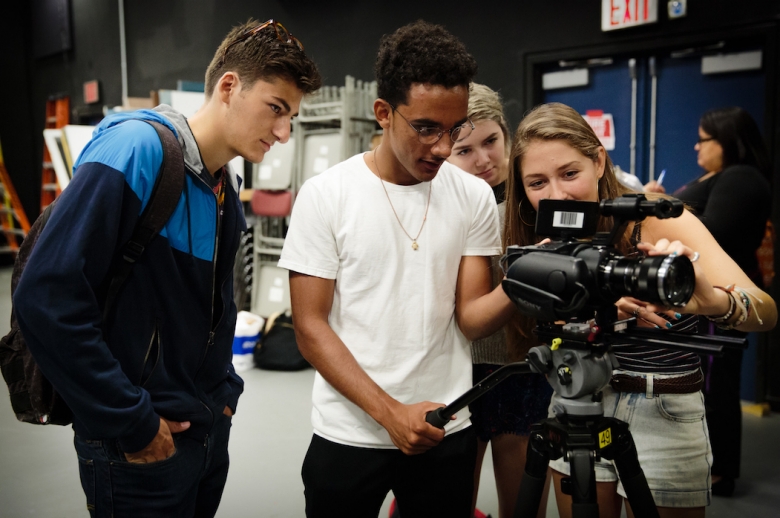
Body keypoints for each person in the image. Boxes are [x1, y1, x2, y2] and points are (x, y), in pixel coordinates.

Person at [13, 19, 321, 517]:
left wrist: (224, 395)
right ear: (229, 86)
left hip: (202, 436)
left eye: (292, 117)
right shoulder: (137, 150)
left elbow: (217, 310)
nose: (284, 133)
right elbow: (45, 297)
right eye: (276, 109)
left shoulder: (225, 190)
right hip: (135, 449)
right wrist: (130, 421)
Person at [279, 20, 516, 517]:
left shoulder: (471, 196)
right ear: (383, 113)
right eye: (426, 128)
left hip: (443, 428)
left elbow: (471, 318)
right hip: (349, 431)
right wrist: (390, 414)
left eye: (454, 130)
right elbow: (309, 326)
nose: (443, 149)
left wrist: (527, 280)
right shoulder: (327, 195)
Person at [504, 102, 776, 518]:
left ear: (598, 160)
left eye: (570, 173)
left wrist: (712, 301)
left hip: (662, 406)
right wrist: (594, 298)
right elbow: (538, 330)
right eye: (537, 182)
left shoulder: (653, 216)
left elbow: (766, 310)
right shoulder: (539, 238)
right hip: (574, 401)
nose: (557, 195)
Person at [447, 83, 552, 518]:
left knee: (522, 507)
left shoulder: (538, 200)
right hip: (454, 370)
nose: (484, 159)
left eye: (491, 141)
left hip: (522, 367)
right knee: (450, 505)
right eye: (465, 150)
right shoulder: (437, 204)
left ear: (507, 135)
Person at [670, 106, 772, 497]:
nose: (697, 145)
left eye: (704, 138)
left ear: (728, 141)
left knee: (716, 386)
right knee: (708, 383)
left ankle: (718, 471)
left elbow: (711, 234)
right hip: (702, 300)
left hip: (719, 300)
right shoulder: (717, 177)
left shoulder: (741, 178)